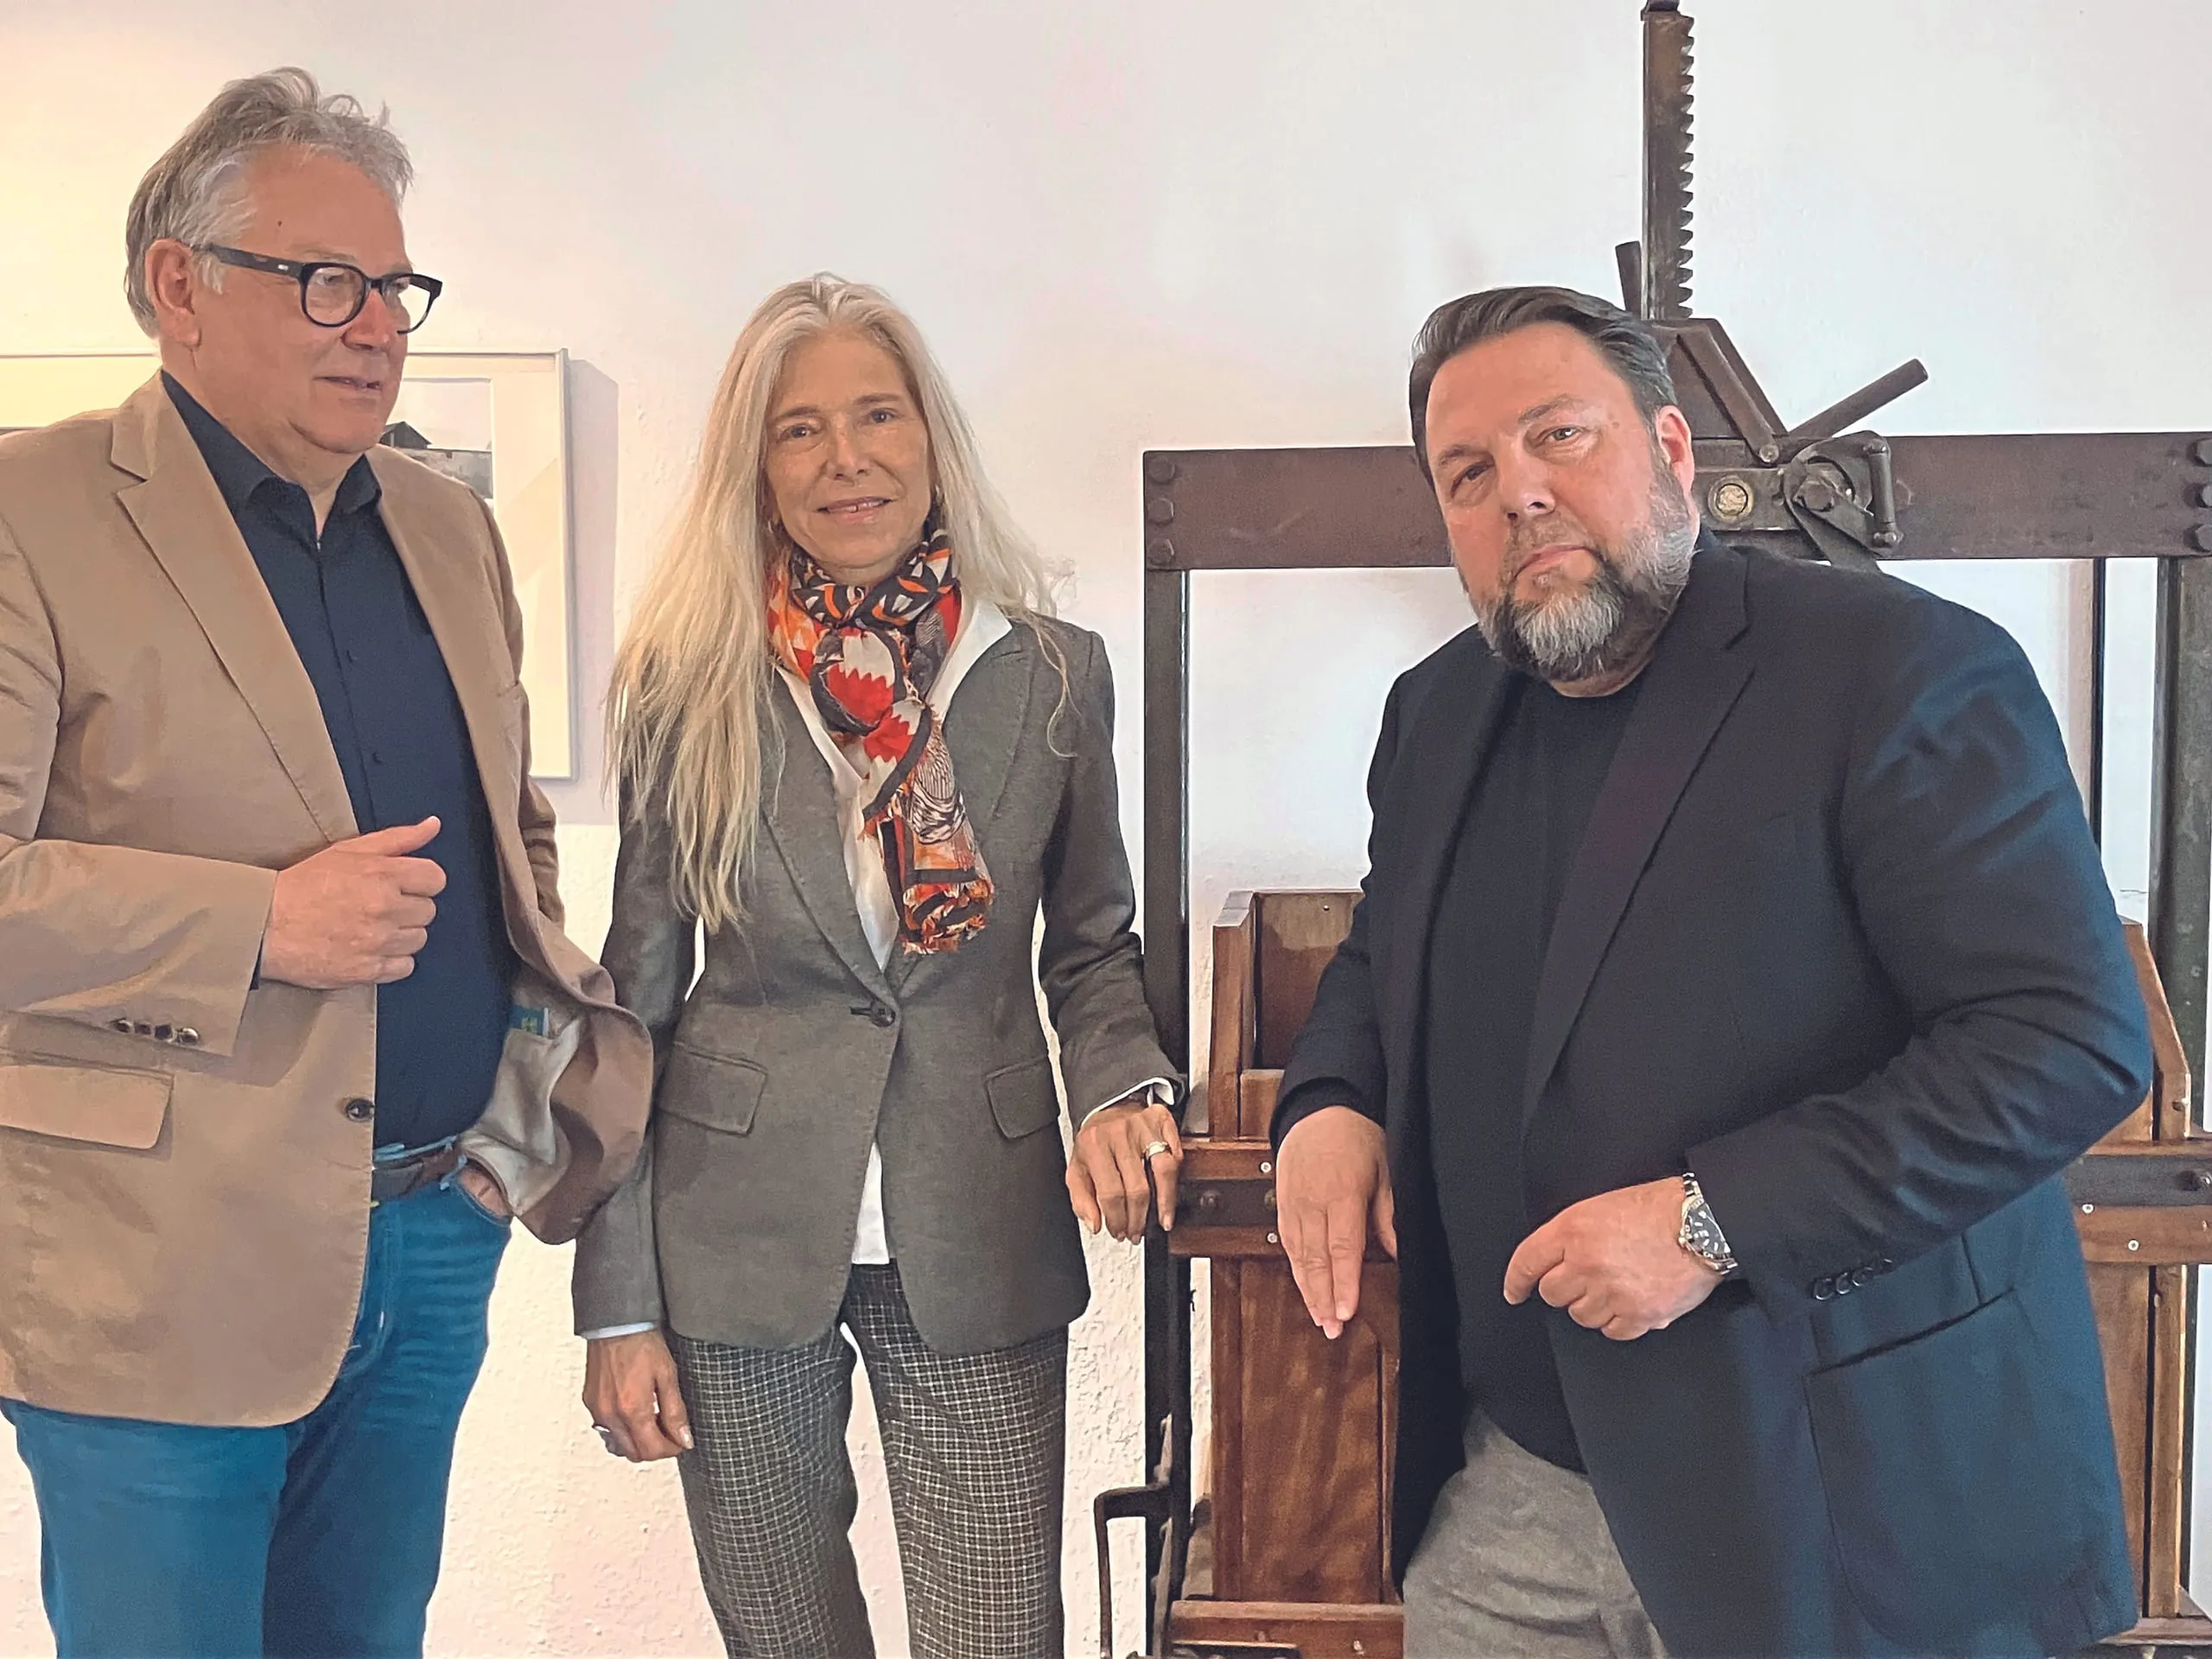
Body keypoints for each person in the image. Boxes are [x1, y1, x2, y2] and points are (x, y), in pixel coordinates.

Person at [1271, 284, 2152, 1657]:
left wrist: (1710, 1221)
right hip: (1515, 1502)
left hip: (1844, 1505)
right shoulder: (1436, 712)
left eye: (1561, 435)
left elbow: (2066, 1041)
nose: (1521, 493)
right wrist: (1331, 1097)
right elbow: (1394, 942)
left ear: (1673, 450)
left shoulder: (1898, 669)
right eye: (1469, 473)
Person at [0, 70, 650, 1658]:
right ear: (179, 287)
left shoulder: (445, 525)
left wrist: (505, 1127)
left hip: (429, 1237)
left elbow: (511, 838)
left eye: (397, 290)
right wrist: (257, 925)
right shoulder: (31, 511)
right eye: (325, 283)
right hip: (154, 1268)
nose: (376, 329)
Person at [572, 274, 1182, 1659]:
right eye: (799, 430)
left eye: (876, 416)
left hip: (975, 1217)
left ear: (931, 436)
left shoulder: (1052, 675)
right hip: (731, 1240)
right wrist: (615, 1301)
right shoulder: (687, 686)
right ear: (758, 468)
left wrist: (1120, 1089)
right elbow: (631, 1009)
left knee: (994, 1640)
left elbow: (1093, 951)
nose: (844, 458)